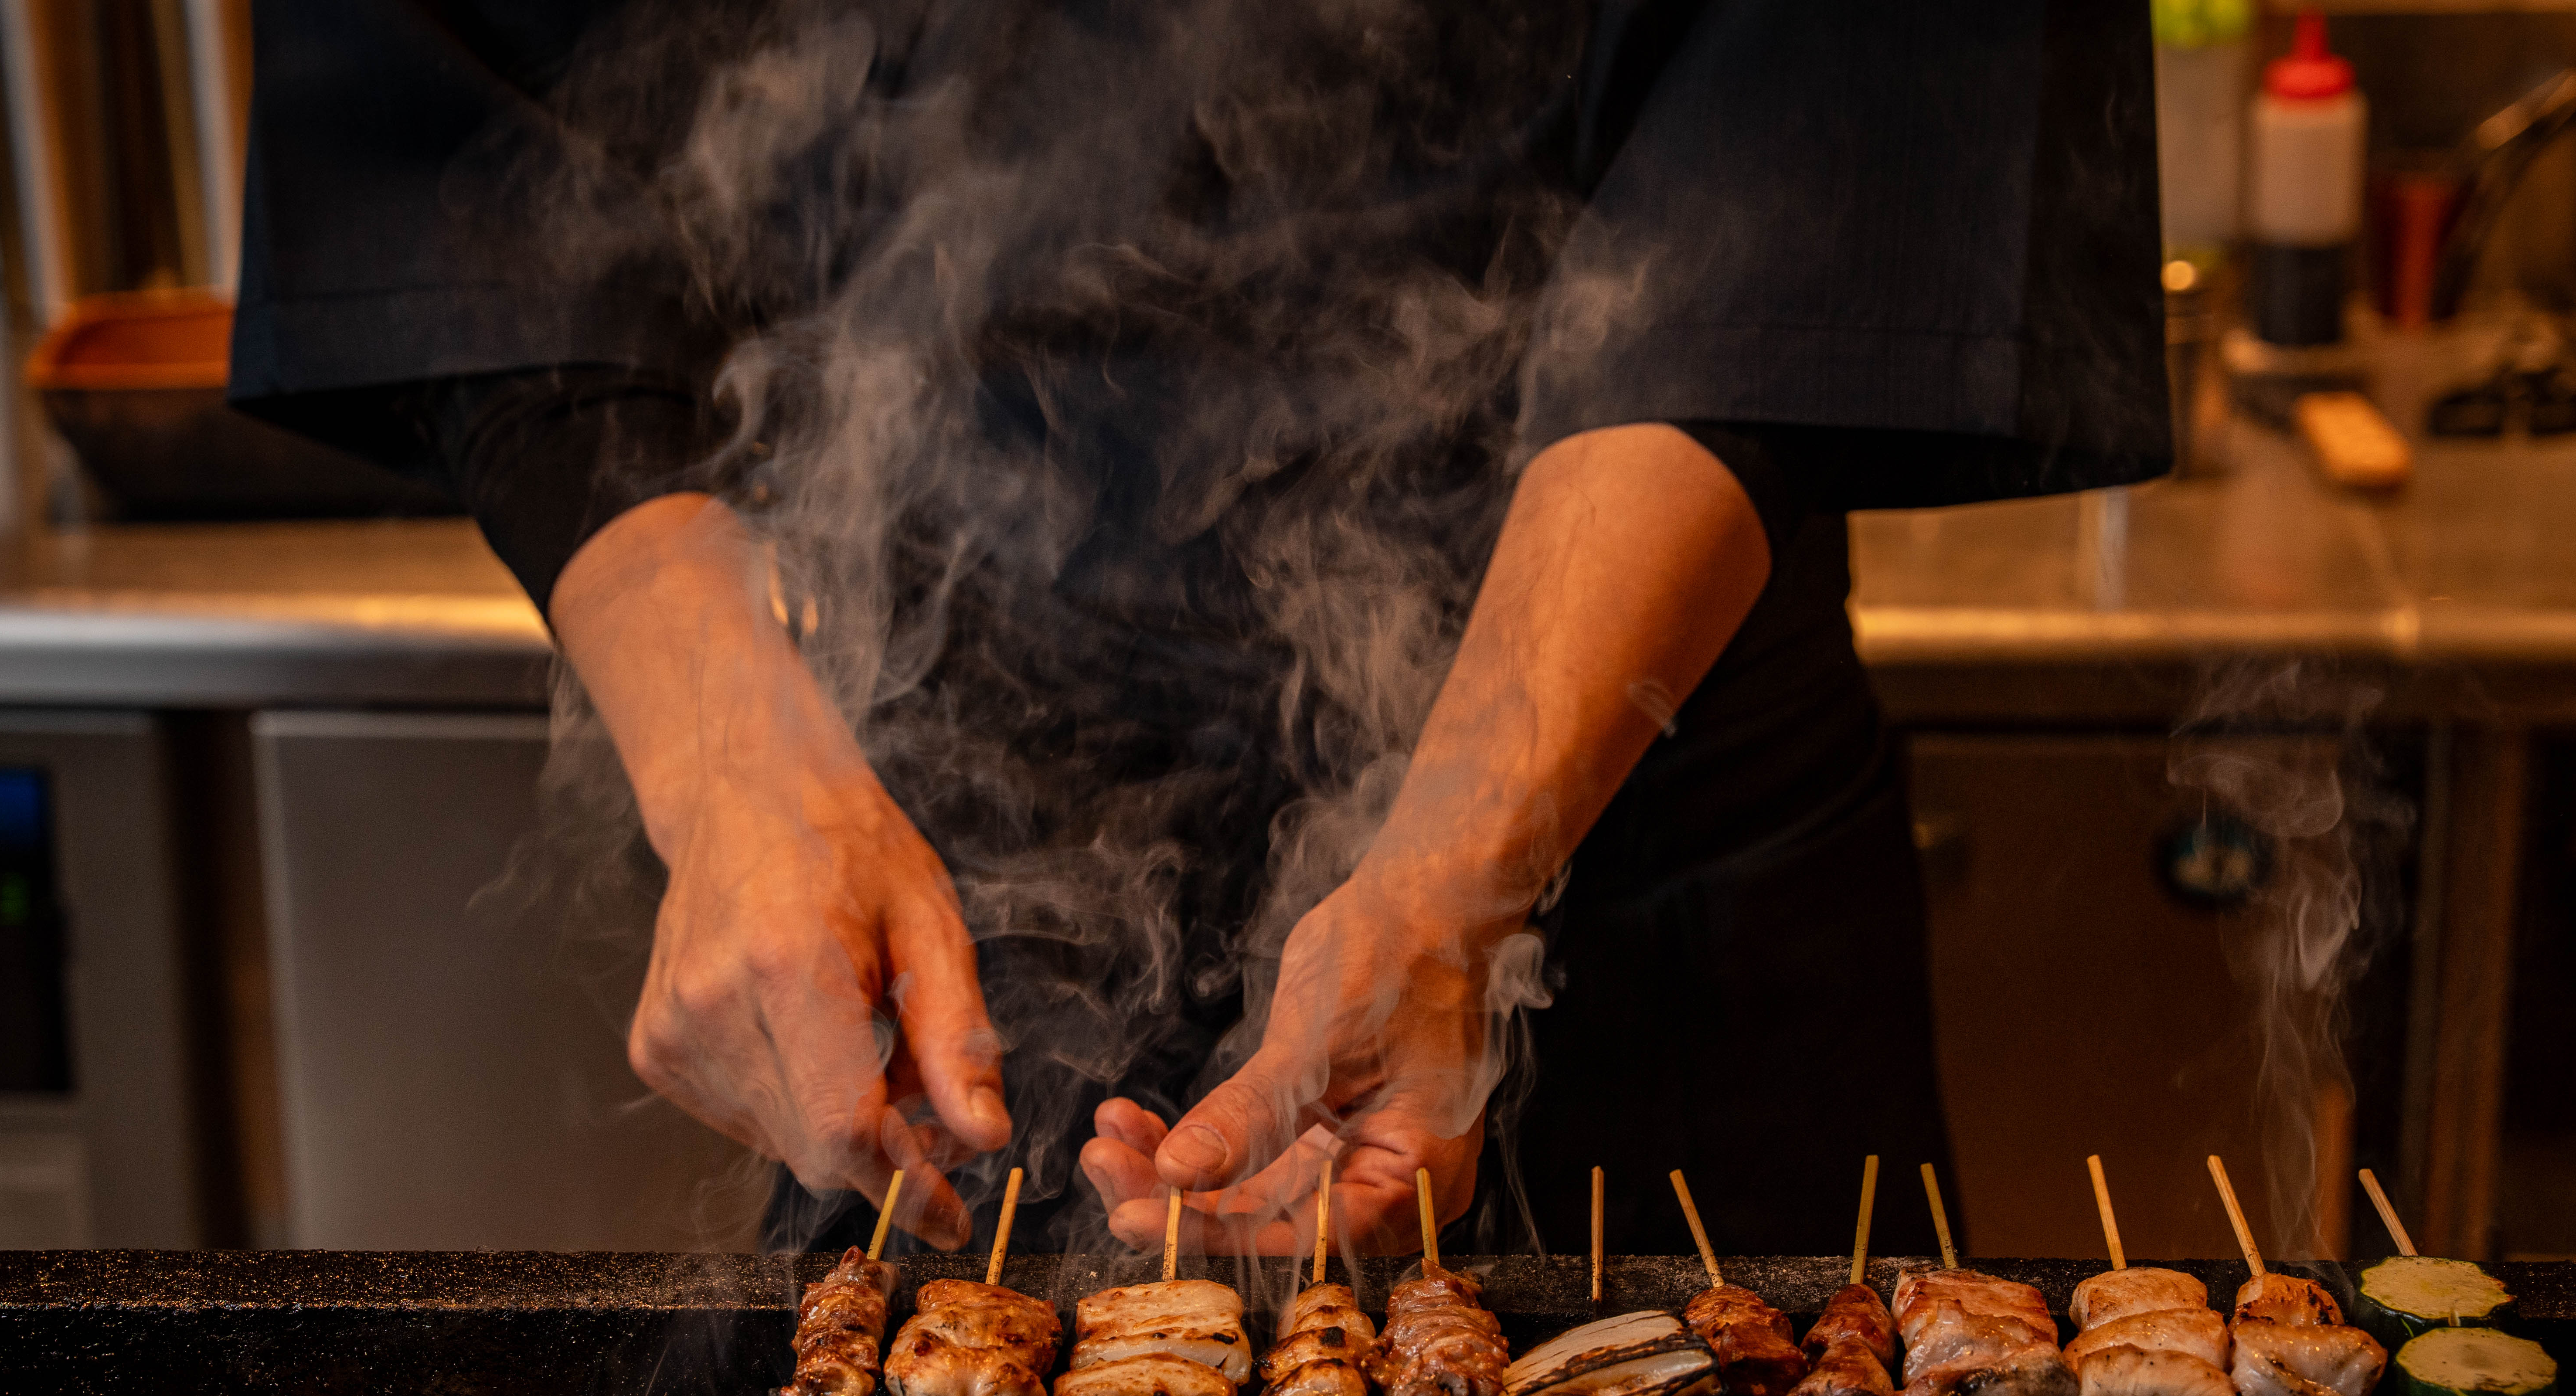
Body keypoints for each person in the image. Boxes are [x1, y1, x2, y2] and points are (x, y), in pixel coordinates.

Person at [233, 0, 2167, 1261]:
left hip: (1640, 831)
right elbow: (457, 119)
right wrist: (735, 763)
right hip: (940, 876)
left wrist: (1462, 869)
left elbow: (1842, 123)